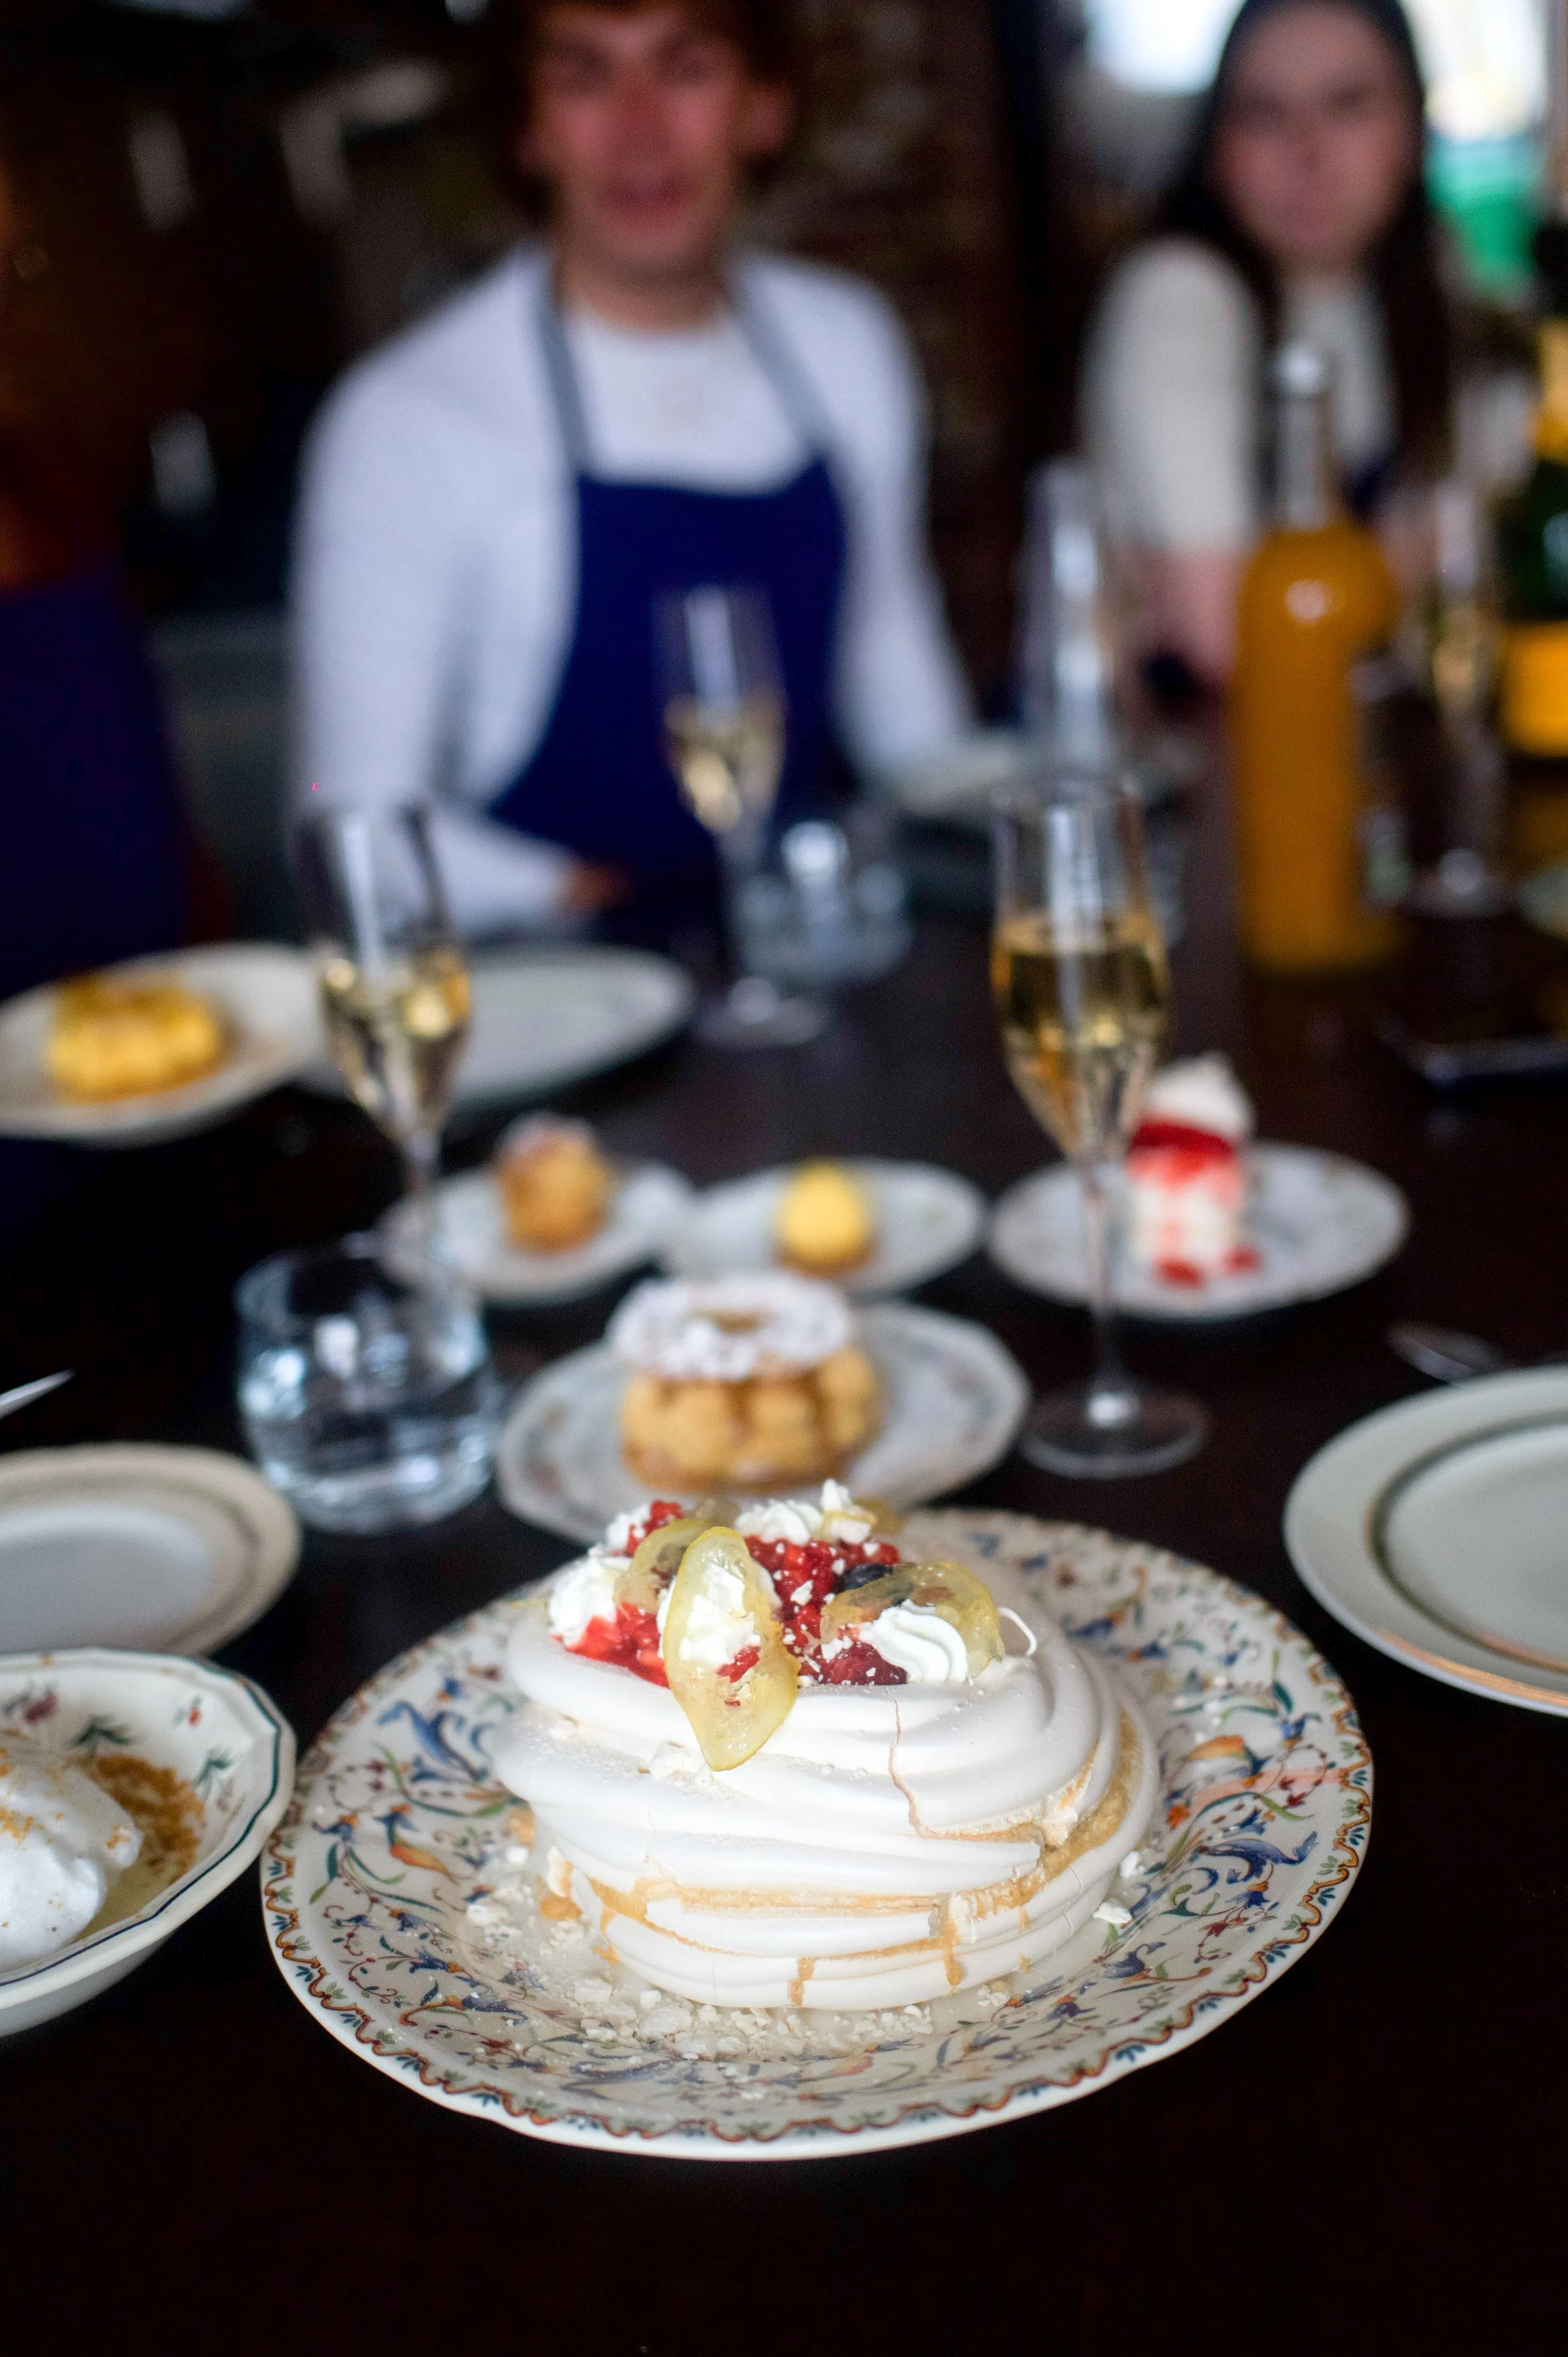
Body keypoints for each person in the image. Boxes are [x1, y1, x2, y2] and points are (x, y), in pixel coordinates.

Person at [291, 0, 970, 937]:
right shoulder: (408, 420)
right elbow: (342, 813)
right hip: (555, 1011)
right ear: (530, 130)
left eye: (685, 68)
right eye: (585, 77)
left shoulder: (844, 344)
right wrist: (587, 903)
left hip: (807, 974)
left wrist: (989, 840)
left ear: (763, 108)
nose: (639, 128)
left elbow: (903, 701)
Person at [1082, 0, 1452, 689]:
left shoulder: (1423, 293)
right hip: (1182, 774)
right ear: (1215, 150)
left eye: (1347, 105)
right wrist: (1419, 557)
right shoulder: (1177, 294)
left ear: (1412, 132)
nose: (1307, 153)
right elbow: (1224, 632)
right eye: (1265, 114)